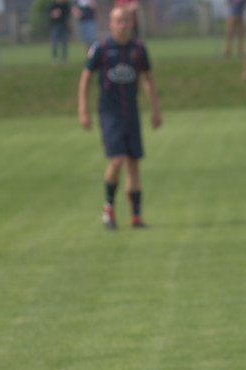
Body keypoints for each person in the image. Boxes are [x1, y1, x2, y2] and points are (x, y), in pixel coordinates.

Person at [78, 6, 162, 229]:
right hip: (110, 114)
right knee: (116, 160)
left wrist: (155, 109)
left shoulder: (138, 48)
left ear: (131, 23)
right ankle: (109, 209)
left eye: (126, 20)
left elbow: (148, 78)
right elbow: (85, 78)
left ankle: (136, 216)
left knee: (133, 162)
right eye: (118, 21)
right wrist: (83, 110)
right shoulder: (102, 49)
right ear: (111, 24)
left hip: (131, 113)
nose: (123, 25)